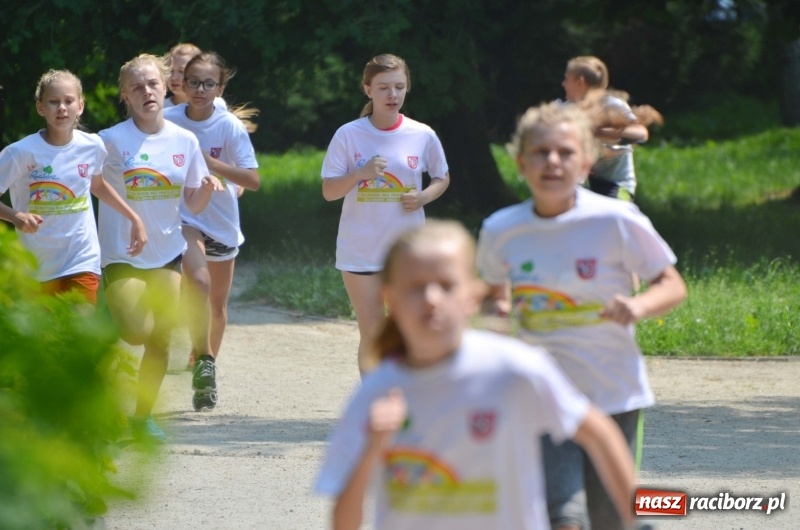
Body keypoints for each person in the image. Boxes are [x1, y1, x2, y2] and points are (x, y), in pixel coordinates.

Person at [315, 220, 636, 530]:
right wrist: (372, 449)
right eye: (415, 287)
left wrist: (641, 522)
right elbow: (343, 523)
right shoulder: (377, 392)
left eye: (446, 285)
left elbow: (601, 434)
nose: (431, 299)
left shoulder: (517, 370)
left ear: (472, 296)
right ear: (391, 300)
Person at [476, 102, 687, 530]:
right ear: (520, 163)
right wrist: (495, 314)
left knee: (613, 518)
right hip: (544, 394)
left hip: (613, 390)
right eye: (540, 152)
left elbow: (672, 284)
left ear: (587, 162)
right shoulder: (501, 230)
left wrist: (638, 305)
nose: (553, 161)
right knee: (563, 516)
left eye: (566, 152)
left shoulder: (615, 219)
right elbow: (494, 297)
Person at [98, 54, 223, 443]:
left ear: (166, 87)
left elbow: (193, 205)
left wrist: (203, 191)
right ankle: (104, 322)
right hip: (123, 253)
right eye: (137, 87)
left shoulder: (184, 140)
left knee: (161, 340)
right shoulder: (109, 140)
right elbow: (86, 181)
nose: (147, 92)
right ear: (125, 96)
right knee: (136, 332)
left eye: (152, 84)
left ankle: (141, 420)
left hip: (168, 251)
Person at [321, 53, 450, 375]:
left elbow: (441, 176)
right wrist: (360, 174)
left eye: (399, 87)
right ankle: (374, 409)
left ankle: (408, 404)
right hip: (360, 250)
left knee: (409, 330)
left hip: (406, 252)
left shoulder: (422, 134)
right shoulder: (348, 135)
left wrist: (423, 197)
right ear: (368, 90)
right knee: (375, 334)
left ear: (407, 89)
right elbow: (329, 191)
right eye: (383, 88)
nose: (392, 95)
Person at [164, 51, 260, 411]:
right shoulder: (168, 119)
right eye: (193, 82)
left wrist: (212, 163)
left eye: (208, 83)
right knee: (198, 283)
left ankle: (205, 371)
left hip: (221, 221)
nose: (200, 89)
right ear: (182, 84)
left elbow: (252, 179)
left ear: (220, 87)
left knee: (217, 305)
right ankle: (200, 354)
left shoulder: (228, 126)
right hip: (185, 217)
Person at [0, 69, 146, 305]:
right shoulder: (20, 153)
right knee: (46, 340)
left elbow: (97, 186)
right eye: (53, 102)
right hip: (36, 267)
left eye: (68, 101)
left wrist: (134, 218)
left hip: (81, 259)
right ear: (40, 107)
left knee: (78, 333)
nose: (62, 108)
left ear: (80, 105)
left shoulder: (93, 146)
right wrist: (15, 216)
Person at [561, 55, 662, 202]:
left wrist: (598, 132)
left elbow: (640, 135)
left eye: (566, 79)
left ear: (579, 82)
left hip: (616, 187)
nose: (563, 84)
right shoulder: (565, 110)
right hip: (582, 186)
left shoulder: (611, 105)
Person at [162, 43, 228, 111]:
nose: (174, 77)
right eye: (170, 71)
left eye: (181, 71)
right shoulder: (161, 109)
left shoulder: (216, 104)